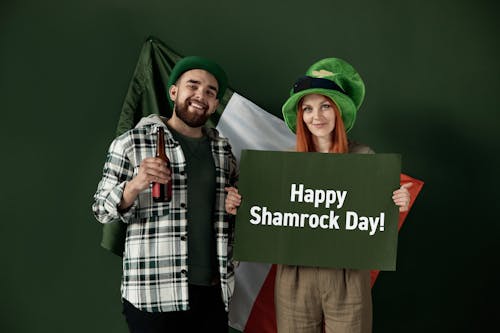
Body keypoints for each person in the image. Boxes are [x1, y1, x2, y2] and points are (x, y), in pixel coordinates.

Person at [225, 57, 412, 333]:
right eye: (308, 109)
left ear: (338, 111)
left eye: (325, 106)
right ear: (300, 115)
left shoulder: (364, 157)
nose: (317, 116)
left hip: (347, 275)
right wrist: (238, 206)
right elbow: (263, 217)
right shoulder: (284, 164)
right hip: (295, 274)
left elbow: (372, 219)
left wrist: (397, 203)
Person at [92, 56, 237, 333]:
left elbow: (228, 219)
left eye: (210, 92)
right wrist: (136, 184)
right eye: (192, 86)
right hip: (153, 293)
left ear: (216, 104)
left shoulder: (223, 152)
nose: (200, 96)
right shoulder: (133, 142)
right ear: (174, 91)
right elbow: (101, 208)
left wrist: (233, 208)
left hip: (212, 293)